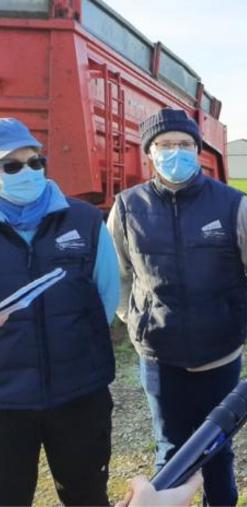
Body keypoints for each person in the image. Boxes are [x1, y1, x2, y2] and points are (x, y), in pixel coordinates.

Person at [107, 108, 247, 505]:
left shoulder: (233, 204)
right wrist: (136, 320)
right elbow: (118, 276)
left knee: (218, 448)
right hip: (160, 357)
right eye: (165, 145)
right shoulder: (129, 207)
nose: (175, 153)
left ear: (198, 151)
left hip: (220, 355)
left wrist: (231, 318)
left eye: (184, 144)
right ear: (150, 153)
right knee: (170, 451)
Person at [0, 118, 120, 505]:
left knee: (86, 495)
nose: (27, 172)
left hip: (79, 395)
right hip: (5, 403)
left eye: (35, 162)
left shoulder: (84, 221)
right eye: (11, 165)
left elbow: (105, 297)